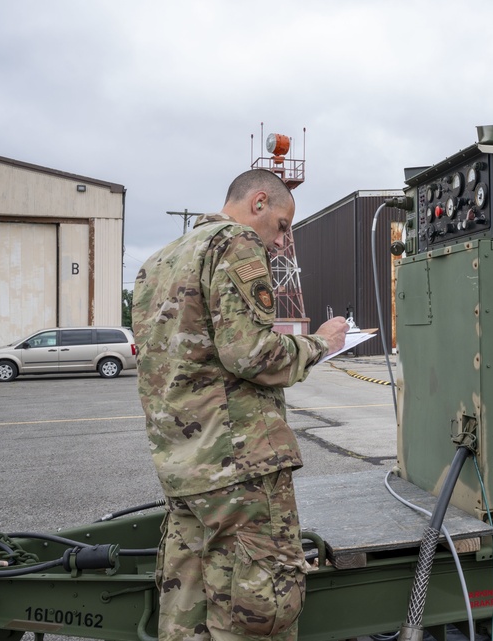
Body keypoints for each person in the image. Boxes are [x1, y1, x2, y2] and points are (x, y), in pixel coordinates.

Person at [132, 168, 348, 641]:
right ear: (258, 204)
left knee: (185, 610)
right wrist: (320, 345)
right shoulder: (234, 244)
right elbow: (251, 354)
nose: (280, 241)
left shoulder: (158, 262)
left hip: (184, 465)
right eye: (283, 225)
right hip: (239, 467)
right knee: (258, 609)